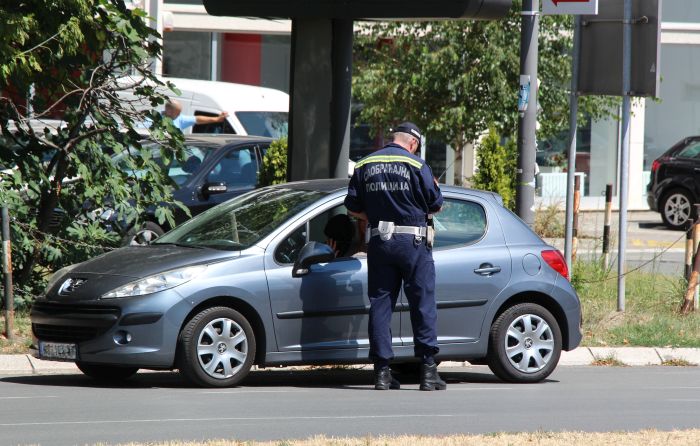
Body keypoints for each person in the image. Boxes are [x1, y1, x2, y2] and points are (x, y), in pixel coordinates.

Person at [344, 121, 445, 391]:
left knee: (380, 303)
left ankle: (382, 373)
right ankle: (427, 371)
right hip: (413, 242)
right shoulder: (416, 165)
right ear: (413, 143)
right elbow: (436, 205)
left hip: (380, 241)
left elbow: (352, 206)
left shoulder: (364, 164)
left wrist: (376, 218)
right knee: (422, 303)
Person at [163, 99, 229, 131]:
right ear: (169, 111)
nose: (179, 115)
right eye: (177, 113)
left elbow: (197, 119)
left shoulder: (179, 119)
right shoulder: (155, 120)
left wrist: (217, 119)